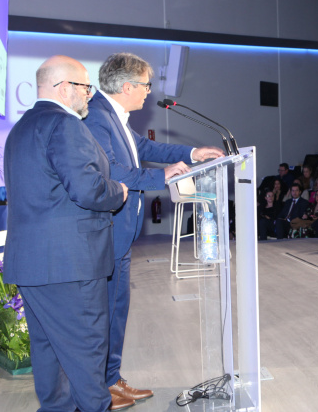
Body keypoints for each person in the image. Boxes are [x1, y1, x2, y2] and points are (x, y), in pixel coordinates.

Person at [86, 52, 223, 404]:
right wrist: (159, 176)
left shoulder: (114, 115)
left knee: (117, 309)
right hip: (107, 231)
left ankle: (111, 378)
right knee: (106, 312)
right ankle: (100, 386)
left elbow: (144, 146)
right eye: (146, 85)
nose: (149, 92)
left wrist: (193, 154)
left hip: (121, 232)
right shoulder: (98, 118)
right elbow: (111, 172)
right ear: (127, 86)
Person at [4, 55, 130, 411]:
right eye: (86, 87)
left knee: (49, 357)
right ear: (64, 87)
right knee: (86, 357)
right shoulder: (66, 125)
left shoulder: (20, 129)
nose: (89, 95)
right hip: (71, 266)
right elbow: (89, 190)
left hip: (32, 266)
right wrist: (118, 191)